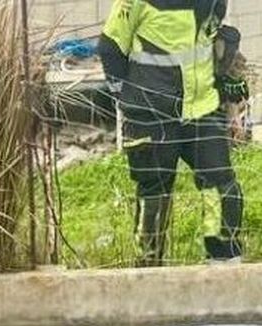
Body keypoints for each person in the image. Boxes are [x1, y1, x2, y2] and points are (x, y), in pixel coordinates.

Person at [98, 0, 246, 265]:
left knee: (221, 184)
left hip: (202, 107)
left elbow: (211, 38)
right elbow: (110, 48)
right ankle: (148, 270)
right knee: (154, 191)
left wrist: (226, 83)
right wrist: (127, 97)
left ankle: (224, 266)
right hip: (151, 111)